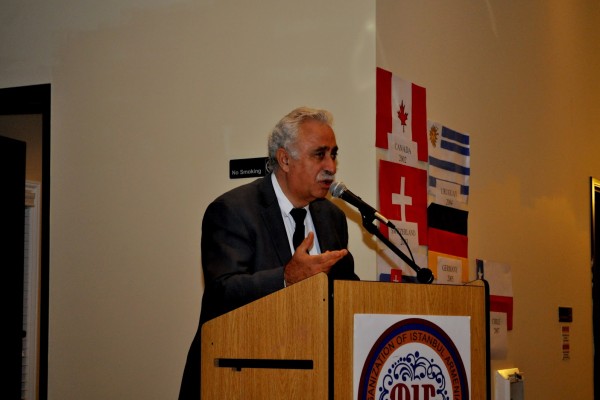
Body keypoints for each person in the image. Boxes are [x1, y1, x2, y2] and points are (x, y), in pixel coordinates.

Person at [178, 106, 359, 399]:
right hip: (236, 378)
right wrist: (287, 277)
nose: (331, 166)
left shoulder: (331, 217)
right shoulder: (233, 210)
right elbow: (221, 292)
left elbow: (343, 293)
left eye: (333, 154)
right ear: (285, 159)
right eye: (319, 154)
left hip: (310, 379)